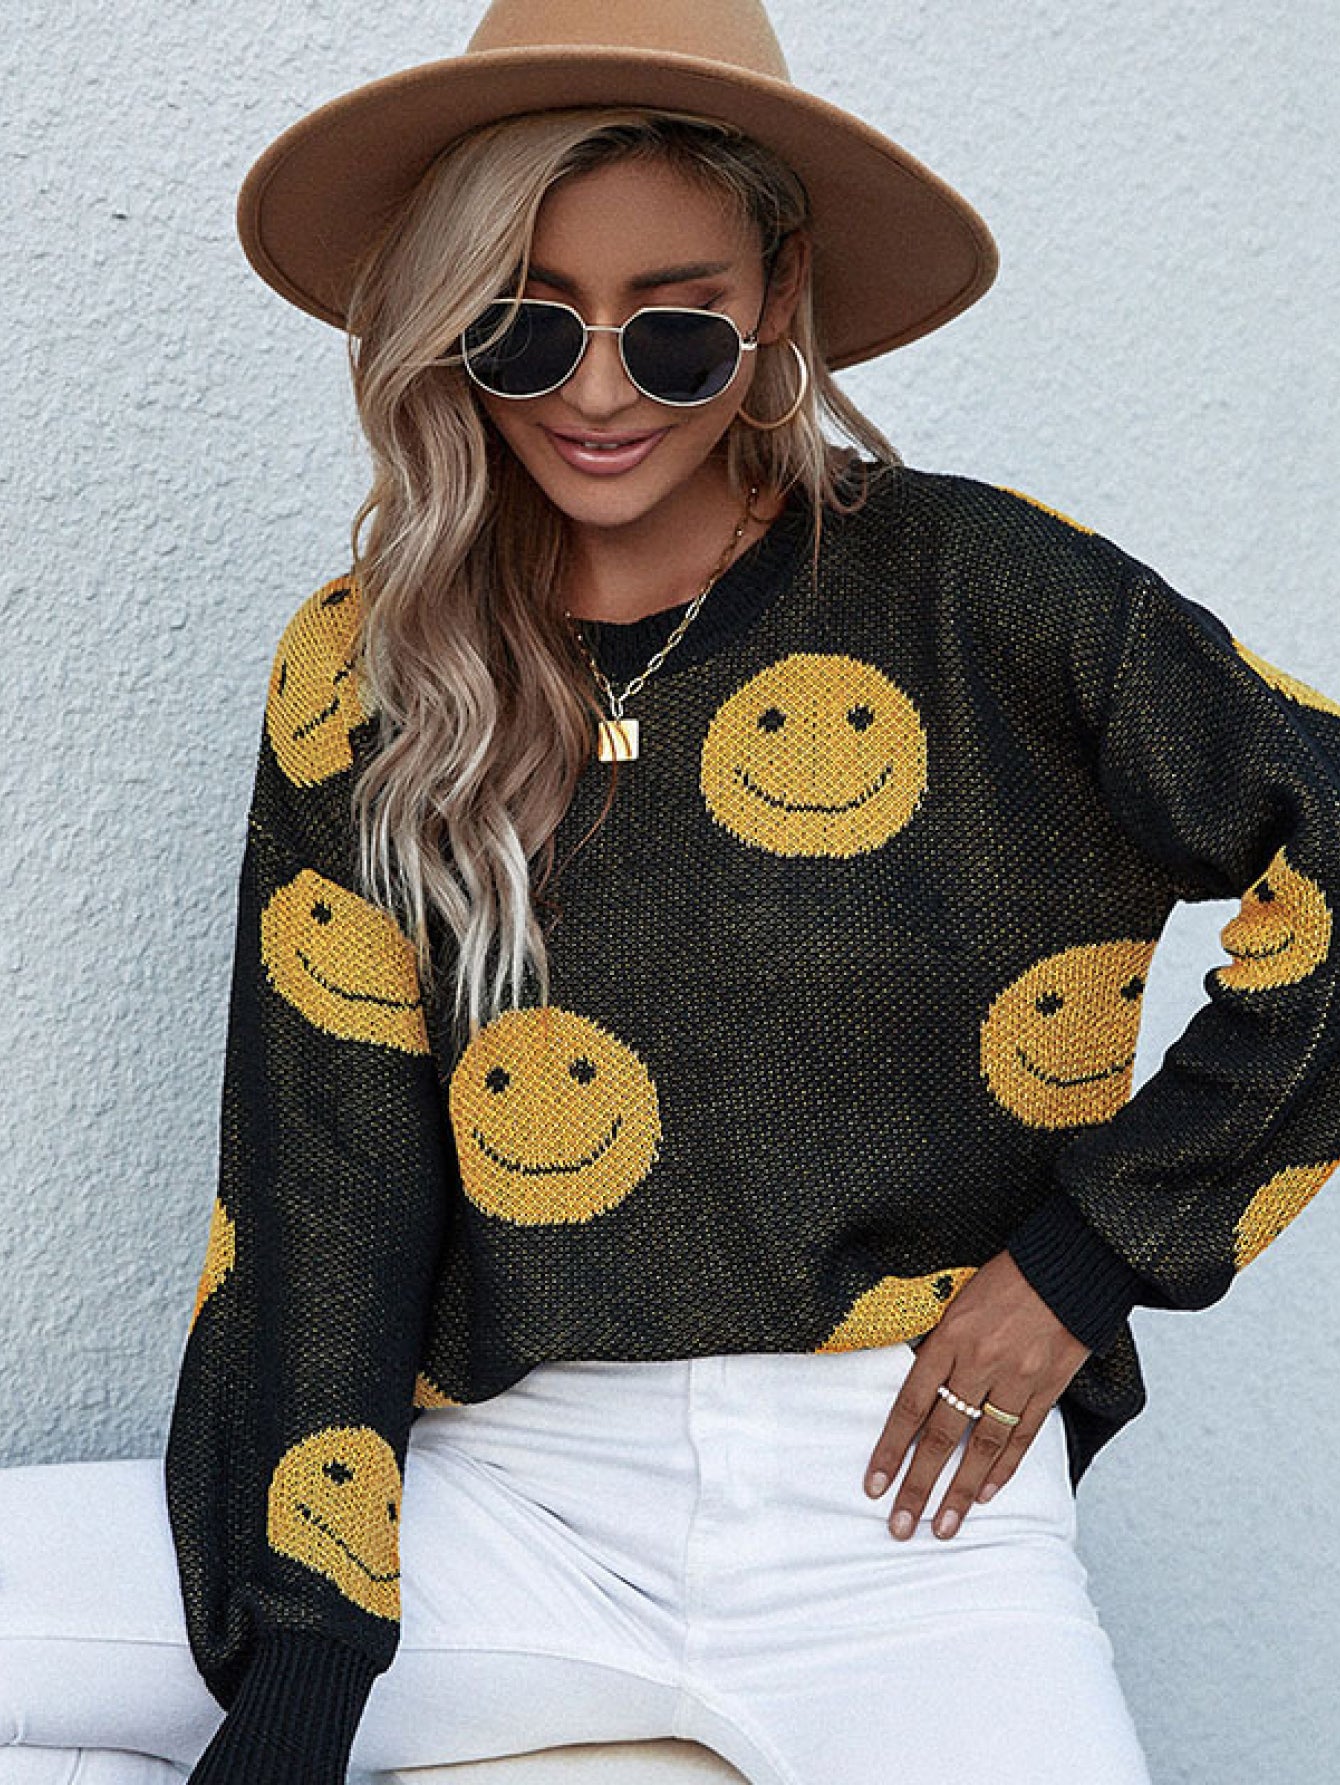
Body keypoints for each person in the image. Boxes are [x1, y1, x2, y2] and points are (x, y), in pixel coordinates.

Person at [3, 1, 1339, 1781]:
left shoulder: (978, 593)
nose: (596, 391)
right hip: (507, 1501)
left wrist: (1087, 1259)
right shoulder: (367, 666)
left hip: (910, 1523)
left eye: (677, 326)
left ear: (779, 295)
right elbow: (327, 1180)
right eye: (524, 319)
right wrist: (306, 1672)